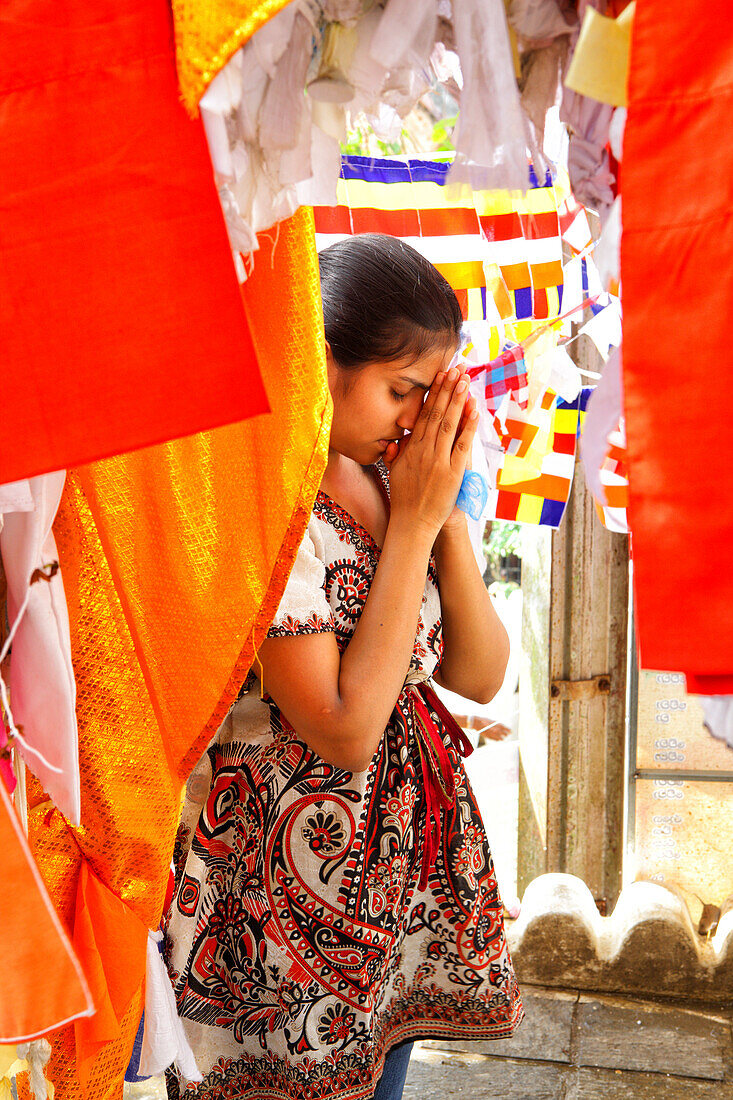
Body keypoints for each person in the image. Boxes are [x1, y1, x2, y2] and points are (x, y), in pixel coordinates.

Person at [164, 234, 523, 1100]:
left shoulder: (391, 479)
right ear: (321, 363)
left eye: (426, 395)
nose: (412, 418)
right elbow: (345, 730)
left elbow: (477, 674)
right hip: (279, 892)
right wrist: (411, 530)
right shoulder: (270, 505)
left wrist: (443, 518)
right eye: (401, 390)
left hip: (398, 882)